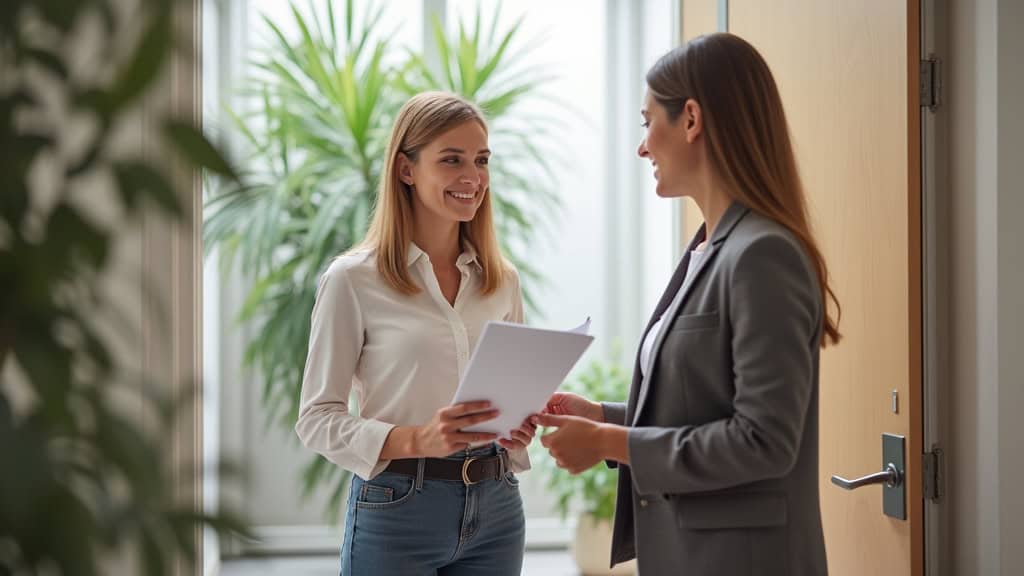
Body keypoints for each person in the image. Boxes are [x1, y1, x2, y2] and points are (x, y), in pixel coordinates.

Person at [533, 33, 840, 576]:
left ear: (691, 119)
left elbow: (763, 441)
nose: (642, 146)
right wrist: (602, 417)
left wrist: (612, 440)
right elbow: (703, 410)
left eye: (649, 120)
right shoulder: (707, 248)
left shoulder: (763, 255)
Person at [296, 91, 537, 576]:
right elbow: (316, 419)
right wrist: (416, 439)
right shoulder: (353, 279)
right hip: (398, 507)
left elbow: (507, 398)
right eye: (452, 160)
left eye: (481, 160)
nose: (472, 178)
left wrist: (520, 422)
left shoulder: (501, 280)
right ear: (406, 169)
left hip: (497, 506)